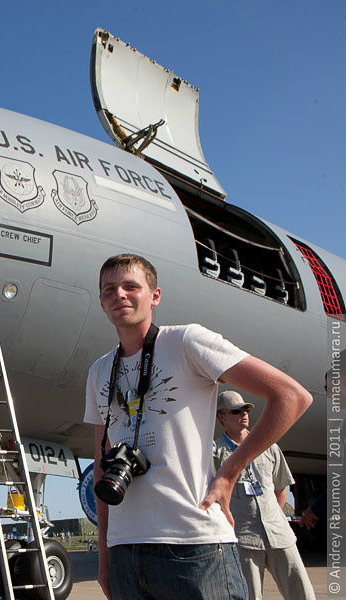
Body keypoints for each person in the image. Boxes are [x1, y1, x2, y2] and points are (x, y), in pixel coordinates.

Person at [84, 253, 312, 600]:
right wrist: (104, 555)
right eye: (109, 289)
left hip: (194, 545)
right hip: (125, 550)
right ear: (101, 301)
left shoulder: (186, 342)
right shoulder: (100, 371)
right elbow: (102, 466)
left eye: (131, 286)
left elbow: (292, 397)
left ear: (155, 295)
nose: (120, 295)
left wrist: (230, 472)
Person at [214, 390, 315, 600]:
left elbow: (280, 489)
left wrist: (274, 517)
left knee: (301, 591)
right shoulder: (215, 452)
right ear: (222, 417)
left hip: (278, 534)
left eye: (245, 409)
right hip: (243, 538)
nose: (243, 414)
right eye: (236, 411)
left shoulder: (269, 446)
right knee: (250, 595)